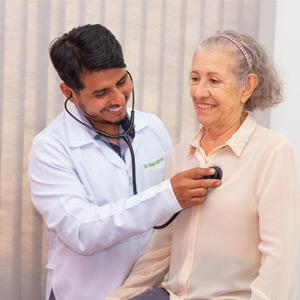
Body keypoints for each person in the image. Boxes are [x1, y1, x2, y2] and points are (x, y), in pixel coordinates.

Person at [28, 24, 221, 300]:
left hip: (149, 290)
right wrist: (168, 196)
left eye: (121, 81)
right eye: (101, 93)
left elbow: (173, 221)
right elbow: (82, 231)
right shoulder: (50, 148)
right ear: (69, 92)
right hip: (87, 293)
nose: (118, 99)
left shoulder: (151, 127)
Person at [107, 30, 300, 300]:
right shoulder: (182, 154)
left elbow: (278, 260)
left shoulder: (272, 153)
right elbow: (162, 248)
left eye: (214, 80)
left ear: (247, 87)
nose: (199, 92)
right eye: (195, 78)